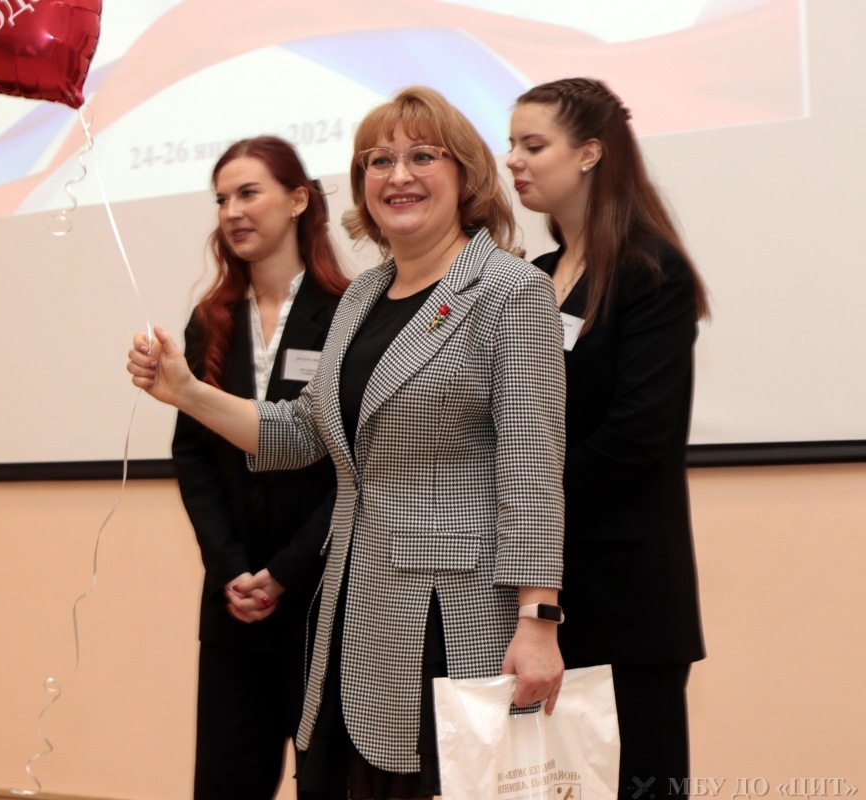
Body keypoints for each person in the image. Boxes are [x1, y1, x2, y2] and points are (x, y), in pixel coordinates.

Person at [130, 87, 566, 799]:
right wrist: (186, 392)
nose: (398, 175)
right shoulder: (361, 298)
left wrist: (538, 619)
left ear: (465, 174)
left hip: (450, 617)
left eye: (422, 156)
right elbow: (303, 431)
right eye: (378, 160)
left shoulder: (509, 291)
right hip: (347, 607)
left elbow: (533, 466)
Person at [506, 77, 708, 796]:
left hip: (628, 595)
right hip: (541, 594)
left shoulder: (651, 270)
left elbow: (635, 435)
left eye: (533, 145)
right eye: (510, 145)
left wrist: (529, 508)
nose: (513, 161)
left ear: (590, 152)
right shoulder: (531, 279)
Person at [173, 136, 350, 800]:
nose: (232, 212)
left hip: (321, 595)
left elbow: (356, 466)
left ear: (298, 200)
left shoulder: (348, 311)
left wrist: (284, 573)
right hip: (234, 603)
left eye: (249, 193)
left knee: (328, 783)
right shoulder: (210, 319)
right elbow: (193, 455)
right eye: (222, 199)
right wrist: (232, 570)